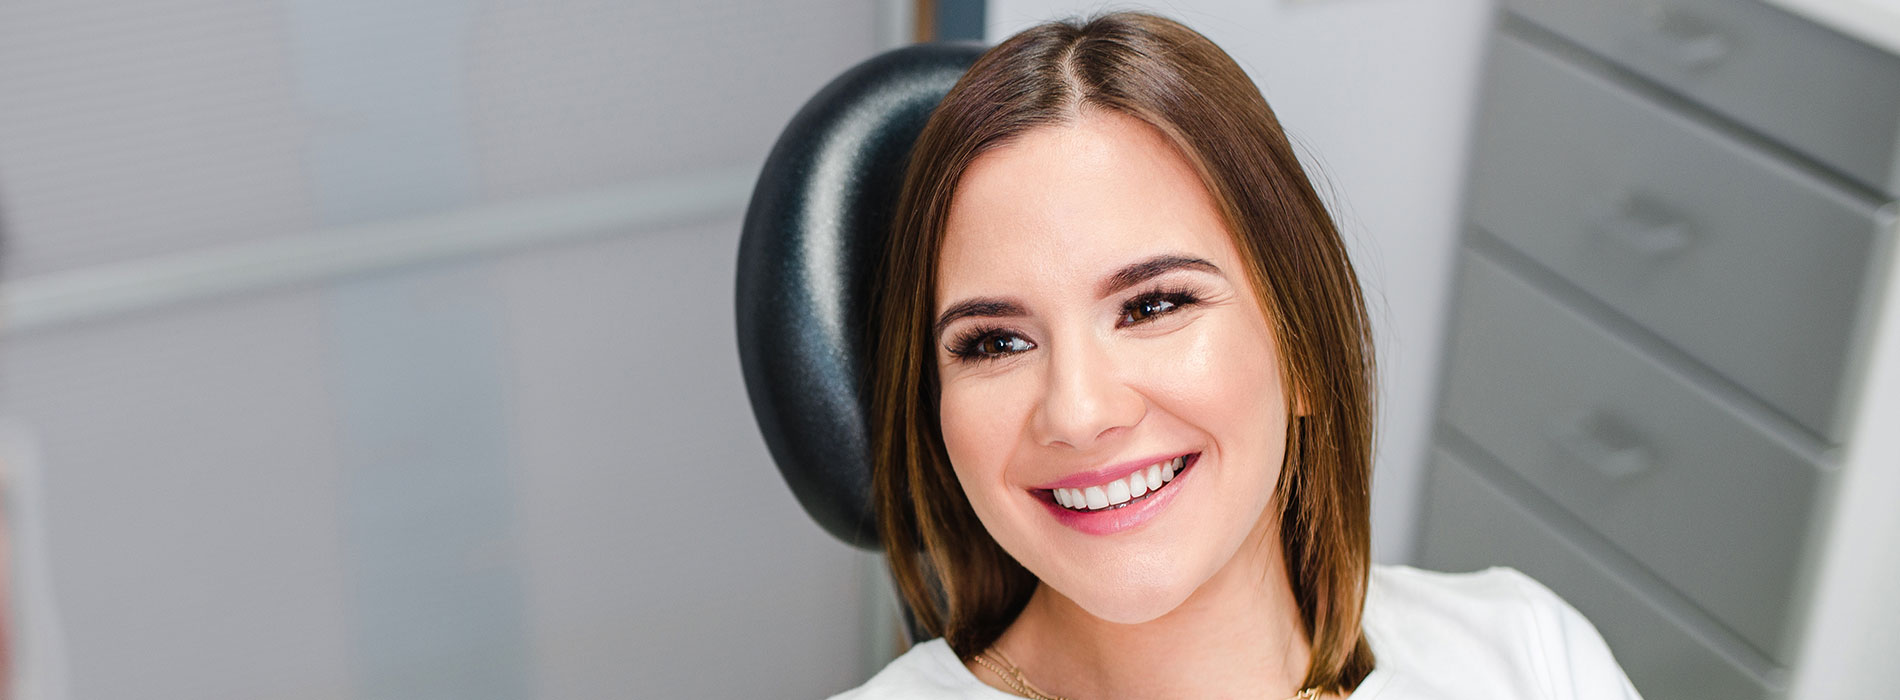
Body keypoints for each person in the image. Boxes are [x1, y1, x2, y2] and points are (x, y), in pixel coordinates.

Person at [832, 11, 1642, 700]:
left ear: (1302, 350)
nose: (1078, 413)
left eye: (1154, 305)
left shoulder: (1527, 657)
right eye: (996, 342)